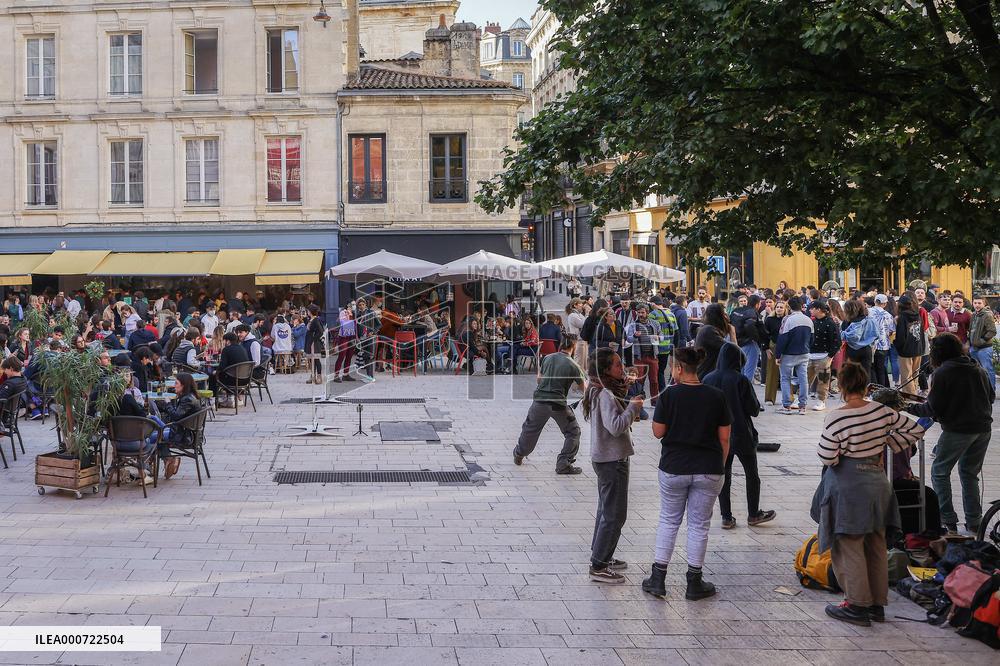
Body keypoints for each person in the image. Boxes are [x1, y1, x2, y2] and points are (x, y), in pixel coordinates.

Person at [813, 362, 924, 627]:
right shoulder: (882, 411)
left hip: (850, 486)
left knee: (849, 545)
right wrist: (887, 443)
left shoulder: (837, 416)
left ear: (841, 386)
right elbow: (916, 430)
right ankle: (876, 604)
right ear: (865, 385)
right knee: (876, 544)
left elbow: (827, 455)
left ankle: (856, 605)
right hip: (877, 484)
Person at [643, 346, 730, 600]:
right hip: (708, 467)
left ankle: (658, 578)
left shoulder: (669, 395)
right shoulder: (716, 396)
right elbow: (724, 438)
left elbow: (658, 432)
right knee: (699, 526)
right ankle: (694, 581)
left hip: (674, 467)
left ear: (679, 369)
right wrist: (719, 466)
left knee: (669, 521)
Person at [905, 334, 995, 534]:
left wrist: (904, 406)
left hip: (959, 429)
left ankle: (948, 519)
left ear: (938, 352)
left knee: (939, 472)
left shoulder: (943, 372)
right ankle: (974, 521)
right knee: (969, 474)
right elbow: (990, 397)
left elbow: (931, 409)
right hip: (982, 428)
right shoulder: (976, 367)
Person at [583, 347, 643, 583]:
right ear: (606, 370)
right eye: (617, 365)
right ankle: (599, 565)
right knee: (614, 514)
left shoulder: (598, 389)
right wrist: (632, 408)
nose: (622, 368)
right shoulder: (605, 394)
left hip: (604, 457)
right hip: (612, 460)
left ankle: (601, 554)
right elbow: (616, 426)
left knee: (605, 510)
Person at [703, 343, 775, 529]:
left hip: (717, 435)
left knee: (724, 475)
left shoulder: (708, 378)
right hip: (741, 433)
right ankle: (753, 514)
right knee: (752, 474)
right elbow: (753, 409)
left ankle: (726, 517)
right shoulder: (740, 380)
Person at [513, 335, 585, 475]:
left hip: (539, 401)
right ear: (573, 347)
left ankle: (519, 453)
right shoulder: (573, 365)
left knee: (530, 431)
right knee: (573, 432)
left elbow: (539, 380)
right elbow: (585, 389)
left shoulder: (547, 358)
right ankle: (563, 464)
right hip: (558, 404)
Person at [775, 296, 813, 414]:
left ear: (789, 307)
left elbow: (782, 338)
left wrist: (778, 355)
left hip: (789, 354)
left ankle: (786, 406)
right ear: (802, 306)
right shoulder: (808, 319)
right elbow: (812, 338)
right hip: (804, 353)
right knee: (803, 379)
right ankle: (803, 406)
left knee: (785, 378)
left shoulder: (788, 319)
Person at [625, 303, 662, 403]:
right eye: (639, 312)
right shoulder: (633, 325)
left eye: (642, 312)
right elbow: (628, 339)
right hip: (639, 357)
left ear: (647, 313)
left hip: (652, 356)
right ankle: (639, 399)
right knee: (639, 380)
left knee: (654, 380)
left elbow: (662, 337)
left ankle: (655, 401)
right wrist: (635, 336)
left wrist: (659, 338)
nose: (640, 314)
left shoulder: (655, 324)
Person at [892, 295, 924, 394]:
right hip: (918, 347)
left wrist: (896, 344)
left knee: (906, 375)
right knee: (915, 373)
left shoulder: (902, 317)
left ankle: (910, 396)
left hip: (905, 349)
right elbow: (922, 333)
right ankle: (914, 392)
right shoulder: (917, 315)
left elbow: (901, 336)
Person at [694, 304, 735, 379]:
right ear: (719, 317)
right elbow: (735, 352)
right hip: (706, 377)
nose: (727, 316)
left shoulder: (709, 329)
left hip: (708, 376)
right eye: (725, 314)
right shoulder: (709, 331)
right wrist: (732, 333)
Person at [730, 294, 764, 382]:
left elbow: (730, 325)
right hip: (749, 343)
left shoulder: (735, 311)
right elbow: (750, 325)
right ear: (757, 304)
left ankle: (739, 392)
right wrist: (756, 338)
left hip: (737, 343)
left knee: (741, 370)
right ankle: (746, 392)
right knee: (749, 371)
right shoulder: (752, 312)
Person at [647, 296, 678, 394]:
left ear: (653, 304)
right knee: (662, 370)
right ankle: (664, 391)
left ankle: (662, 392)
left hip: (656, 347)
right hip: (667, 346)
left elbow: (649, 331)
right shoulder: (671, 314)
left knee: (657, 372)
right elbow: (676, 331)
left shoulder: (652, 315)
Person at [842, 299, 877, 377]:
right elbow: (876, 334)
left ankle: (853, 389)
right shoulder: (869, 320)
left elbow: (848, 336)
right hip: (866, 348)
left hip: (851, 349)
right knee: (866, 374)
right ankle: (865, 388)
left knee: (852, 374)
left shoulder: (848, 321)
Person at [969, 295, 996, 392]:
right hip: (973, 348)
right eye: (975, 303)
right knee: (977, 372)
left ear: (984, 304)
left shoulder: (987, 315)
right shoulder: (973, 315)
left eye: (979, 303)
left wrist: (981, 341)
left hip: (984, 348)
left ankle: (991, 391)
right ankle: (980, 392)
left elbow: (992, 331)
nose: (977, 305)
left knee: (988, 370)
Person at [868, 294, 895, 388]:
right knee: (881, 367)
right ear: (885, 303)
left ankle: (874, 387)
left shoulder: (867, 312)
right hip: (883, 344)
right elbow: (891, 331)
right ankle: (882, 387)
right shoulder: (888, 315)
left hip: (869, 344)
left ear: (875, 301)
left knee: (871, 367)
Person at [332, 307, 357, 383]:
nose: (353, 306)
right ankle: (336, 375)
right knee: (341, 355)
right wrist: (347, 315)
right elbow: (341, 322)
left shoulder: (355, 313)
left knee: (349, 356)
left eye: (354, 304)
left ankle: (346, 374)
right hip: (343, 336)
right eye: (351, 304)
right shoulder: (343, 312)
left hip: (351, 336)